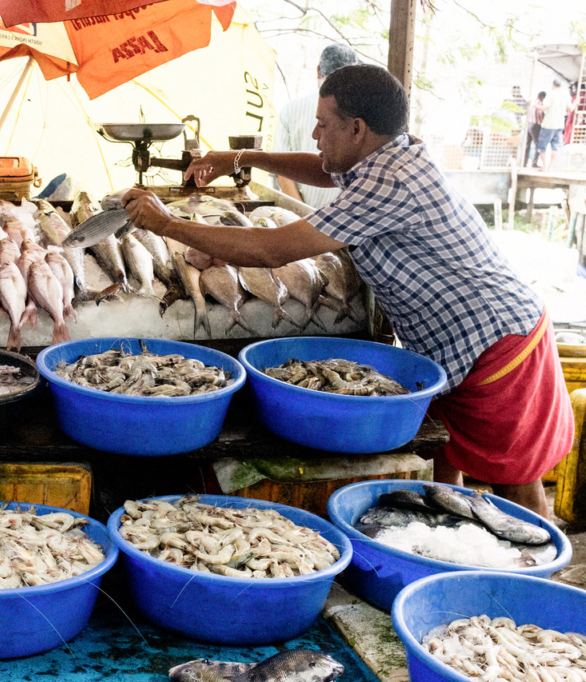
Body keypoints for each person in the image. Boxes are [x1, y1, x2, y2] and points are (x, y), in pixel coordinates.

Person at [123, 64, 573, 520]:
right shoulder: (386, 155)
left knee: (515, 486)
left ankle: (538, 580)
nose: (315, 134)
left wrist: (166, 224)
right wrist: (243, 159)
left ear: (357, 129)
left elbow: (272, 249)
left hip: (497, 346)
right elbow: (324, 169)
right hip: (455, 347)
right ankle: (444, 543)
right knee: (446, 462)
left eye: (323, 124)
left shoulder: (390, 182)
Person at [272, 43, 358, 209]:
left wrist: (304, 214)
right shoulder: (361, 115)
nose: (315, 134)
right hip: (340, 217)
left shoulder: (291, 109)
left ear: (318, 71)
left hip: (303, 215)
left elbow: (281, 172)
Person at [539, 78, 573, 171]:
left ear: (553, 85)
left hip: (549, 124)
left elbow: (545, 107)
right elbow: (570, 109)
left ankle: (544, 166)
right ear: (561, 86)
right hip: (559, 124)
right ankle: (550, 166)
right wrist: (576, 104)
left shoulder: (550, 94)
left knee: (543, 145)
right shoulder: (565, 95)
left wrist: (534, 106)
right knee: (555, 146)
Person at [524, 91, 546, 168]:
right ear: (543, 97)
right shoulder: (540, 104)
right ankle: (534, 163)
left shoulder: (532, 102)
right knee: (538, 144)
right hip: (535, 125)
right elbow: (541, 115)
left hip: (528, 124)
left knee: (527, 144)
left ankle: (524, 163)